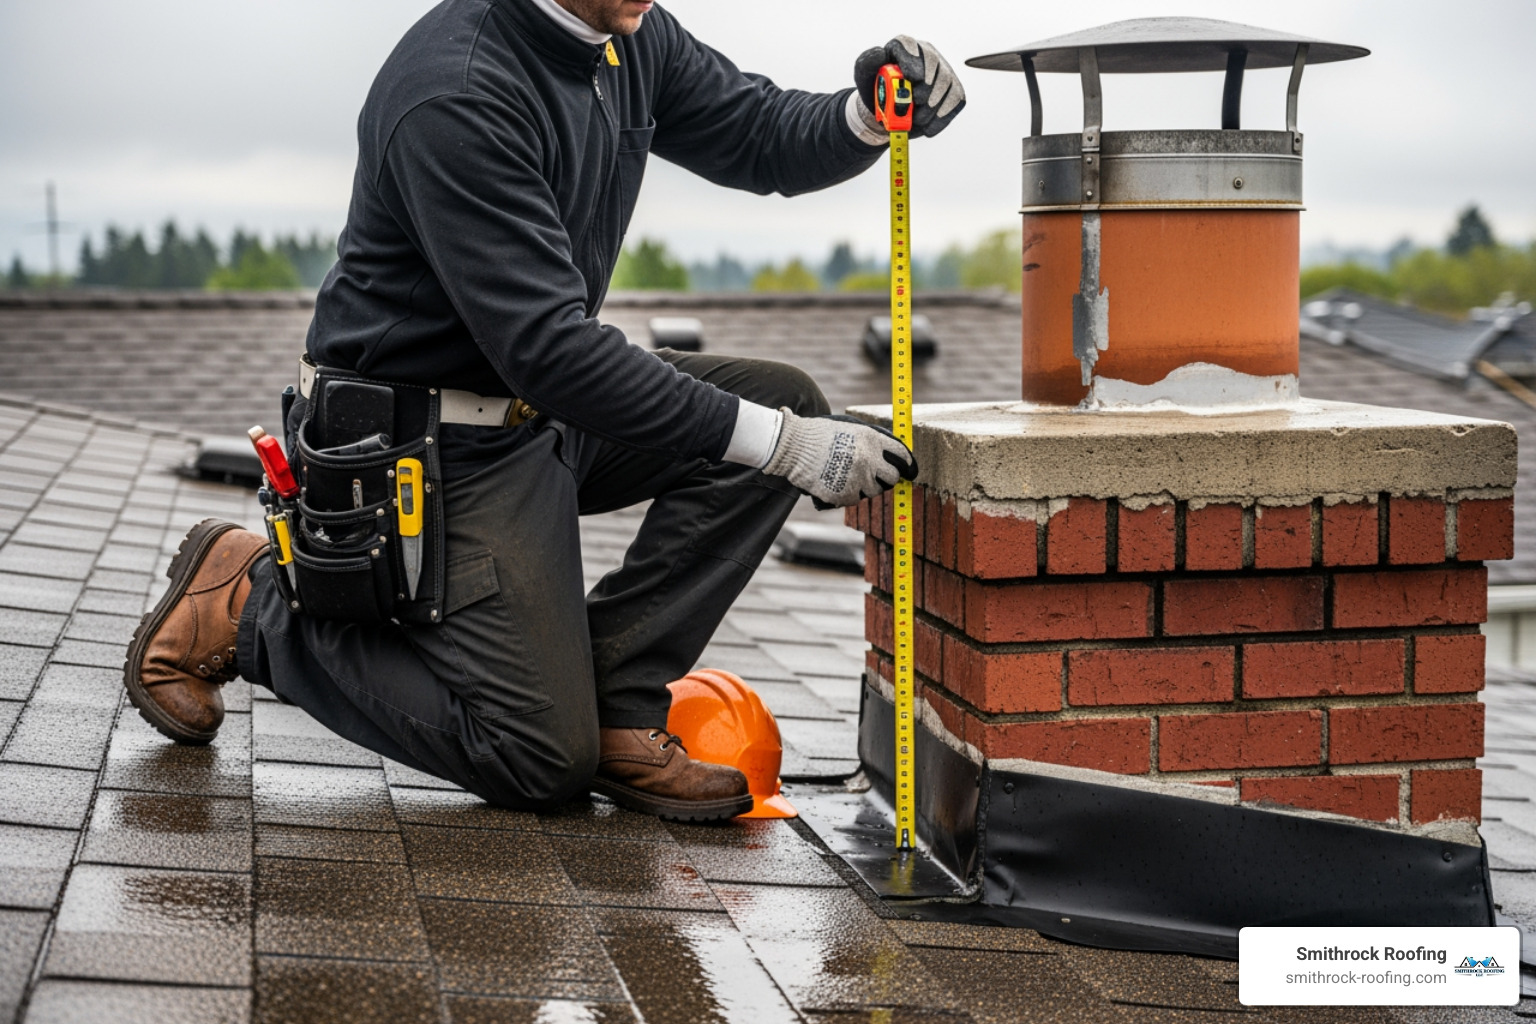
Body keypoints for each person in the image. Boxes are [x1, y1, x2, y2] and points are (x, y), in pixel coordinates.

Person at [122, 0, 965, 821]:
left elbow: (760, 136)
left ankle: (612, 700)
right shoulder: (456, 89)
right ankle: (251, 600)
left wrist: (866, 112)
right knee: (534, 755)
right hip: (423, 443)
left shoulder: (627, 34)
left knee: (779, 401)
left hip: (533, 409)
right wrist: (786, 449)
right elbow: (551, 347)